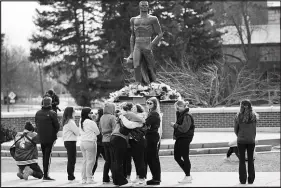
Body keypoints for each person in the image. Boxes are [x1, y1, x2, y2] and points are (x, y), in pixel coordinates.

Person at [125, 1, 163, 86]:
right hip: (137, 45)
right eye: (143, 5)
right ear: (139, 7)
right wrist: (131, 53)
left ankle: (154, 84)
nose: (144, 7)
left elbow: (160, 34)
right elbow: (132, 36)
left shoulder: (153, 18)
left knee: (151, 66)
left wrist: (152, 45)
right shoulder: (133, 19)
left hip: (147, 44)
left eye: (146, 5)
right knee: (136, 65)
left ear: (148, 7)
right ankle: (137, 85)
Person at [110, 104, 142, 187]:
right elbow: (140, 121)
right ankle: (122, 182)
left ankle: (116, 181)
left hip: (113, 138)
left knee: (115, 161)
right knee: (119, 162)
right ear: (130, 109)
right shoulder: (129, 114)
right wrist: (140, 124)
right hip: (120, 139)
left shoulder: (122, 116)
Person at [35, 96, 60, 181]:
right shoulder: (52, 113)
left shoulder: (38, 113)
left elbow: (36, 125)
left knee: (44, 155)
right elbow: (57, 126)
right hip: (50, 138)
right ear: (50, 103)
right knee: (47, 156)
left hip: (41, 137)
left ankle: (45, 174)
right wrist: (53, 133)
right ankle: (46, 175)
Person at [234, 99, 259, 185]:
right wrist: (252, 137)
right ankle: (251, 180)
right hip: (251, 140)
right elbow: (254, 130)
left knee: (242, 161)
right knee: (251, 160)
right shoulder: (254, 116)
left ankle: (242, 180)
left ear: (241, 106)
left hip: (241, 140)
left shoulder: (238, 116)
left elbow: (236, 129)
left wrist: (239, 136)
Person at [170, 100, 195, 184]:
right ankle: (188, 174)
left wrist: (174, 125)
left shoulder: (187, 115)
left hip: (185, 138)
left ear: (184, 106)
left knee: (185, 156)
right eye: (177, 107)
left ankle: (188, 175)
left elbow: (184, 129)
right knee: (177, 157)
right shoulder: (181, 114)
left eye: (179, 106)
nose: (177, 108)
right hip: (180, 138)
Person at [122, 103, 146, 186]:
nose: (132, 109)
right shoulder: (132, 116)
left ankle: (142, 178)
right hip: (132, 140)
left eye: (134, 108)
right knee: (136, 160)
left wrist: (123, 118)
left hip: (138, 140)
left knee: (140, 159)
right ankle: (138, 176)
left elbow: (130, 125)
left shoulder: (140, 117)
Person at [79, 107, 100, 184]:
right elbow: (97, 132)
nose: (92, 114)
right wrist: (94, 121)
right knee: (91, 161)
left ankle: (83, 178)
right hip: (90, 142)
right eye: (91, 113)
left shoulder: (81, 121)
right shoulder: (91, 122)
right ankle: (89, 179)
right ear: (87, 114)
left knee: (85, 161)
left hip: (82, 142)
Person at [144, 97, 161, 185]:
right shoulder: (151, 113)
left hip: (152, 137)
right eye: (147, 103)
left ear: (155, 104)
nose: (148, 104)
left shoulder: (154, 114)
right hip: (151, 136)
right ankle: (156, 178)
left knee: (153, 159)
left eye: (151, 103)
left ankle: (156, 179)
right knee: (151, 158)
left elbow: (145, 124)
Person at [100, 103, 116, 184]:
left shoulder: (102, 117)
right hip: (111, 140)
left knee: (107, 160)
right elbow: (115, 130)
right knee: (113, 159)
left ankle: (105, 178)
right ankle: (114, 177)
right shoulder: (112, 117)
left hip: (104, 140)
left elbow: (100, 129)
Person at [62, 107, 79, 182]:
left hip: (68, 141)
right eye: (74, 111)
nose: (75, 113)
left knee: (71, 159)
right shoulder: (71, 122)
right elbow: (77, 132)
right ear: (71, 113)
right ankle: (71, 176)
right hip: (70, 142)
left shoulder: (67, 121)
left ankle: (71, 175)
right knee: (72, 159)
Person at [92, 108, 106, 176]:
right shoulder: (105, 121)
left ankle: (91, 175)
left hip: (97, 143)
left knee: (95, 160)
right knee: (108, 160)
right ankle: (112, 174)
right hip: (104, 142)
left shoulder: (95, 122)